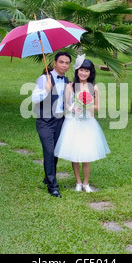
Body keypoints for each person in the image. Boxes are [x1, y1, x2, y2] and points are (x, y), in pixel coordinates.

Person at [54, 54, 110, 193]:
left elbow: (97, 107)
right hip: (73, 122)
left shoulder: (94, 87)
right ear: (77, 70)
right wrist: (73, 108)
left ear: (90, 73)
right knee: (74, 153)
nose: (83, 73)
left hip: (87, 123)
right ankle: (78, 182)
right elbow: (66, 104)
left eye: (87, 71)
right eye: (81, 70)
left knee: (86, 154)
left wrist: (88, 105)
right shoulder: (70, 86)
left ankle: (86, 183)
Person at [32, 51, 71, 198]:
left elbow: (68, 102)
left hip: (60, 120)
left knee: (55, 151)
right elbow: (35, 98)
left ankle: (49, 177)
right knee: (49, 150)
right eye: (61, 62)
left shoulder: (67, 81)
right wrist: (46, 91)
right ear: (55, 63)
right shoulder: (44, 79)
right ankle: (52, 186)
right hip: (45, 121)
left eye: (67, 63)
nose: (64, 65)